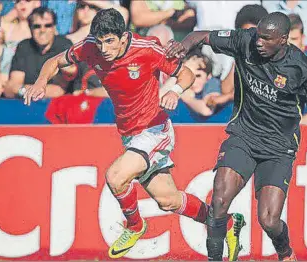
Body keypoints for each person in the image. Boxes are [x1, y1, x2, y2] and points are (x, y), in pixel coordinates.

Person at [24, 8, 242, 260]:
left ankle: (135, 226)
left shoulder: (147, 49)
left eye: (110, 41)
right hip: (130, 134)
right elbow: (54, 62)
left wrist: (174, 91)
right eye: (100, 41)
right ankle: (225, 223)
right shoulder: (90, 47)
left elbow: (186, 73)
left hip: (154, 129)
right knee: (168, 201)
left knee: (116, 177)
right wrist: (40, 82)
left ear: (124, 37)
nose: (104, 48)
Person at [165, 11, 307, 261]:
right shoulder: (245, 40)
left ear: (283, 40)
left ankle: (285, 252)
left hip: (279, 148)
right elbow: (200, 35)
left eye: (266, 39)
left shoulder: (301, 68)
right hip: (243, 136)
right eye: (258, 36)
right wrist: (183, 46)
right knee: (219, 202)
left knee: (268, 220)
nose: (259, 42)